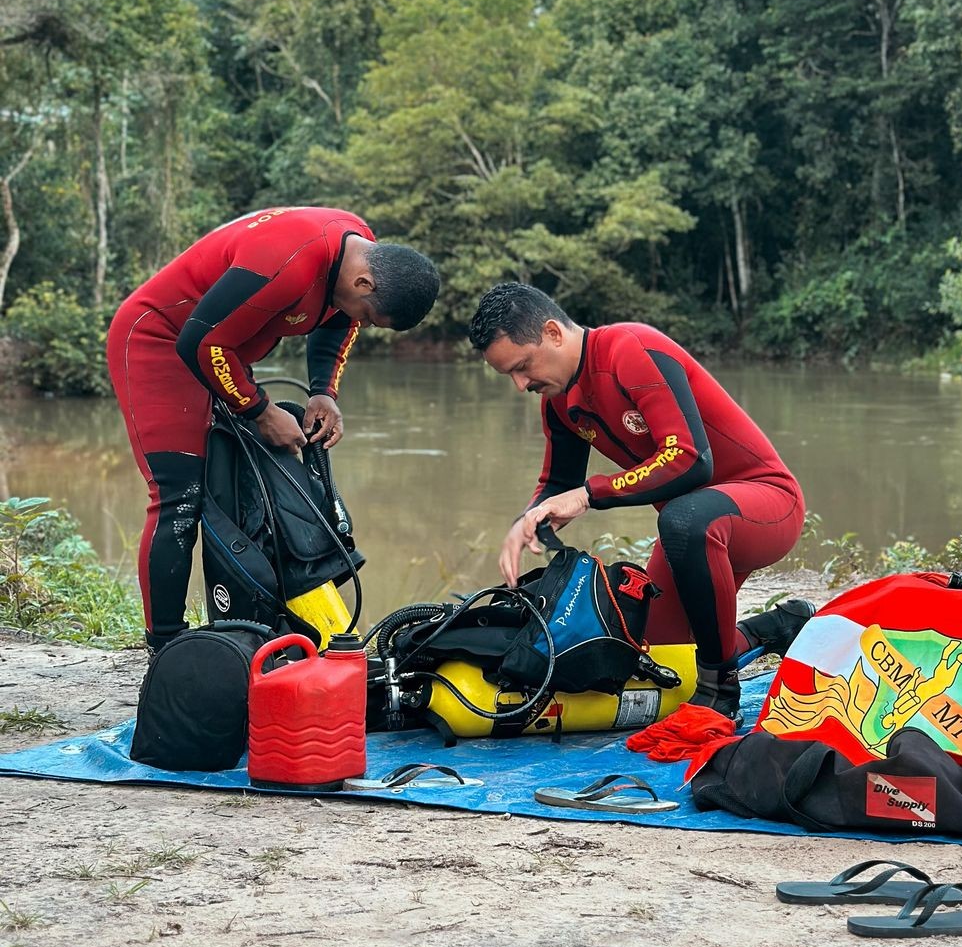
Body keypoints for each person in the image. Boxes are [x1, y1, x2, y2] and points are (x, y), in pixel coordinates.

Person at [467, 282, 811, 718]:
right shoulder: (558, 401)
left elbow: (690, 461)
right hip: (692, 531)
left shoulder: (629, 349)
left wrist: (592, 494)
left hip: (764, 504)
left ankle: (721, 690)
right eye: (509, 376)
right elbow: (557, 481)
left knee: (685, 521)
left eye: (522, 366)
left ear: (553, 333)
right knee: (657, 657)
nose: (520, 385)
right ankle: (777, 626)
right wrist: (529, 520)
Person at [107, 206, 439, 650]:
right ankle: (165, 646)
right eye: (369, 315)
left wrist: (324, 391)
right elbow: (198, 341)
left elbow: (338, 319)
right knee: (178, 497)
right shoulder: (289, 264)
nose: (361, 323)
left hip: (220, 348)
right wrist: (259, 410)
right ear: (365, 283)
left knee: (239, 490)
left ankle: (241, 627)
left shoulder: (359, 250)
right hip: (162, 340)